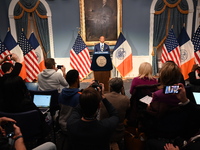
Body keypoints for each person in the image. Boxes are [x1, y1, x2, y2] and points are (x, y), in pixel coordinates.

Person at [67, 85, 119, 150]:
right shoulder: (106, 127)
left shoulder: (71, 124)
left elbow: (76, 109)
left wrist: (85, 96)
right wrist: (103, 97)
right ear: (99, 106)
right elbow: (115, 115)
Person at [0, 76, 50, 141]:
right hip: (33, 135)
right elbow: (42, 120)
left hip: (10, 136)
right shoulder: (28, 105)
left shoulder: (2, 106)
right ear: (22, 88)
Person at [100, 77, 130, 150]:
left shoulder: (103, 98)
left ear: (110, 87)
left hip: (104, 132)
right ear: (121, 88)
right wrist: (123, 93)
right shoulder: (126, 99)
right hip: (119, 133)